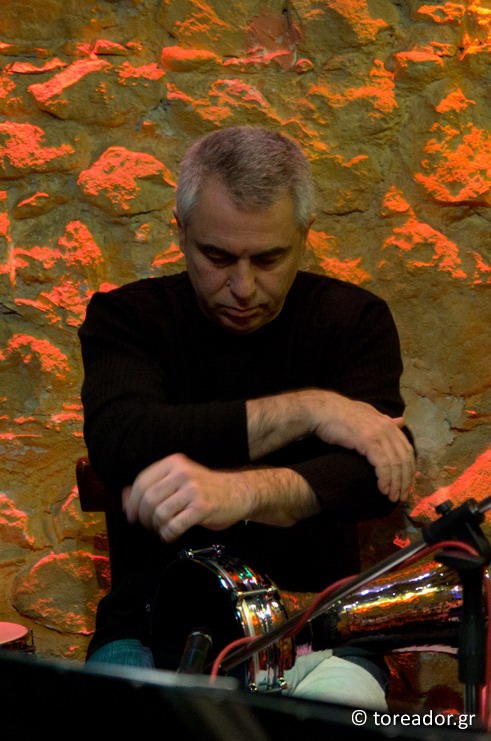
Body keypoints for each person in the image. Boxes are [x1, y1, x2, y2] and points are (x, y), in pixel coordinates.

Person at [78, 125, 415, 708]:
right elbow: (125, 440)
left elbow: (374, 478)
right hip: (149, 628)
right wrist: (313, 409)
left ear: (304, 237)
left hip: (318, 632)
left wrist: (243, 494)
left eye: (269, 258)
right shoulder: (127, 318)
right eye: (217, 257)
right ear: (181, 233)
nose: (243, 286)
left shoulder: (354, 319)